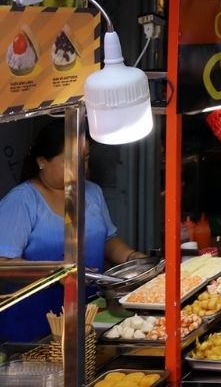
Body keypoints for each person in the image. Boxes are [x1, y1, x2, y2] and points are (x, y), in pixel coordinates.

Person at [0, 123, 145, 342]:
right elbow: (3, 263)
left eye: (85, 158)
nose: (80, 167)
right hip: (33, 322)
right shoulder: (22, 201)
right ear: (42, 161)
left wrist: (134, 260)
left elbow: (107, 239)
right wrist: (56, 273)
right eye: (70, 159)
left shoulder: (92, 192)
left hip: (88, 312)